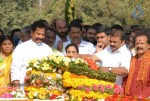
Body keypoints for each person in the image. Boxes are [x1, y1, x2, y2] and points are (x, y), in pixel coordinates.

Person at [11, 20, 53, 89]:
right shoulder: (21, 47)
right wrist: (16, 86)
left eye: (43, 35)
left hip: (43, 89)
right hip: (23, 87)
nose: (40, 37)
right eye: (38, 34)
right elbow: (15, 67)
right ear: (32, 33)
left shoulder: (48, 49)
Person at [124, 31, 150, 98]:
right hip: (127, 97)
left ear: (148, 45)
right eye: (137, 43)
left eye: (142, 43)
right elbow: (125, 79)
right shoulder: (132, 60)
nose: (139, 46)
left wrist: (141, 97)